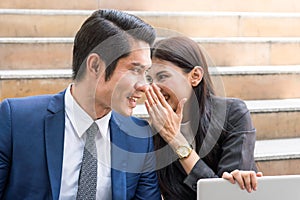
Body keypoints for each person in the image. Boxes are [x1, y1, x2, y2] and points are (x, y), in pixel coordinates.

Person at [0, 9, 161, 200]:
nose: (144, 86)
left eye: (146, 73)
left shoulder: (139, 137)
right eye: (135, 70)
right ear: (95, 65)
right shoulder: (17, 120)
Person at [144, 36, 262, 200]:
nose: (153, 87)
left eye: (162, 76)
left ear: (195, 76)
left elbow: (227, 196)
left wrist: (175, 138)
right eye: (149, 79)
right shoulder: (151, 132)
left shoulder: (232, 114)